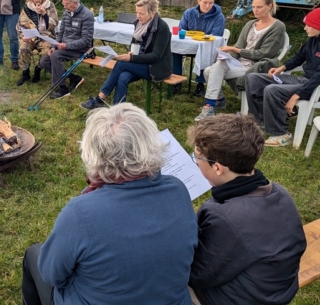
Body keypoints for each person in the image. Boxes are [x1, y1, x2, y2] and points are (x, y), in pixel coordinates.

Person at [22, 104, 197, 305]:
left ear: (94, 153)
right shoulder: (178, 189)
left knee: (33, 255)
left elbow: (51, 274)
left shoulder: (81, 213)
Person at [188, 113, 306, 305]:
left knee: (163, 281)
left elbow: (197, 275)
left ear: (217, 168)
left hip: (250, 299)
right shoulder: (279, 192)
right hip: (278, 288)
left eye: (197, 158)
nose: (196, 162)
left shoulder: (223, 217)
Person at [195, 0, 286, 121]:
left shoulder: (277, 27)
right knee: (212, 68)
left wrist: (234, 50)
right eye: (253, 7)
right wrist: (228, 55)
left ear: (270, 6)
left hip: (256, 65)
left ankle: (211, 105)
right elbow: (238, 46)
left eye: (259, 7)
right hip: (238, 63)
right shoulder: (250, 24)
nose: (255, 10)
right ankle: (216, 101)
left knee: (212, 70)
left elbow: (264, 53)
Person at [246, 7, 320, 147]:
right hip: (303, 81)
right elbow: (298, 58)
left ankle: (281, 134)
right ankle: (260, 121)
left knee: (272, 89)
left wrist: (297, 95)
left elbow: (318, 78)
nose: (305, 28)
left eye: (309, 25)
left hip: (315, 88)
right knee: (253, 78)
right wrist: (282, 68)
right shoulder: (313, 39)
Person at [81, 0, 171, 109]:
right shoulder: (139, 24)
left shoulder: (162, 28)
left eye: (141, 13)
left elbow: (156, 56)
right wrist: (132, 52)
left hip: (157, 68)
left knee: (121, 64)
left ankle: (100, 98)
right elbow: (135, 45)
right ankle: (117, 110)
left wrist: (131, 58)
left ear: (153, 13)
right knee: (123, 76)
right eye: (137, 12)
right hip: (141, 63)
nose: (138, 16)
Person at [39, 0, 94, 99]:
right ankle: (74, 78)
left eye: (67, 4)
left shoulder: (87, 15)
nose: (64, 6)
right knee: (44, 61)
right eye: (63, 3)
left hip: (82, 49)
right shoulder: (66, 13)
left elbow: (86, 40)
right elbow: (61, 33)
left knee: (56, 56)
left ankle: (62, 89)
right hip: (66, 47)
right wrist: (54, 46)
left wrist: (67, 45)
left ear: (75, 2)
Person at [173, 0, 226, 96]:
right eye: (205, 2)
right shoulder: (189, 13)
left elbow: (216, 37)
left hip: (206, 48)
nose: (207, 6)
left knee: (205, 51)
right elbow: (182, 30)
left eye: (211, 3)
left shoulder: (219, 17)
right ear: (198, 1)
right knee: (174, 49)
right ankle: (176, 81)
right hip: (188, 45)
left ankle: (200, 84)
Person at [16, 0, 58, 86]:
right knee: (23, 49)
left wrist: (44, 14)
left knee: (46, 50)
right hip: (30, 37)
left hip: (45, 36)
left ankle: (38, 70)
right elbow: (20, 24)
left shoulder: (50, 6)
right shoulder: (27, 8)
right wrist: (24, 36)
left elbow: (54, 23)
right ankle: (25, 73)